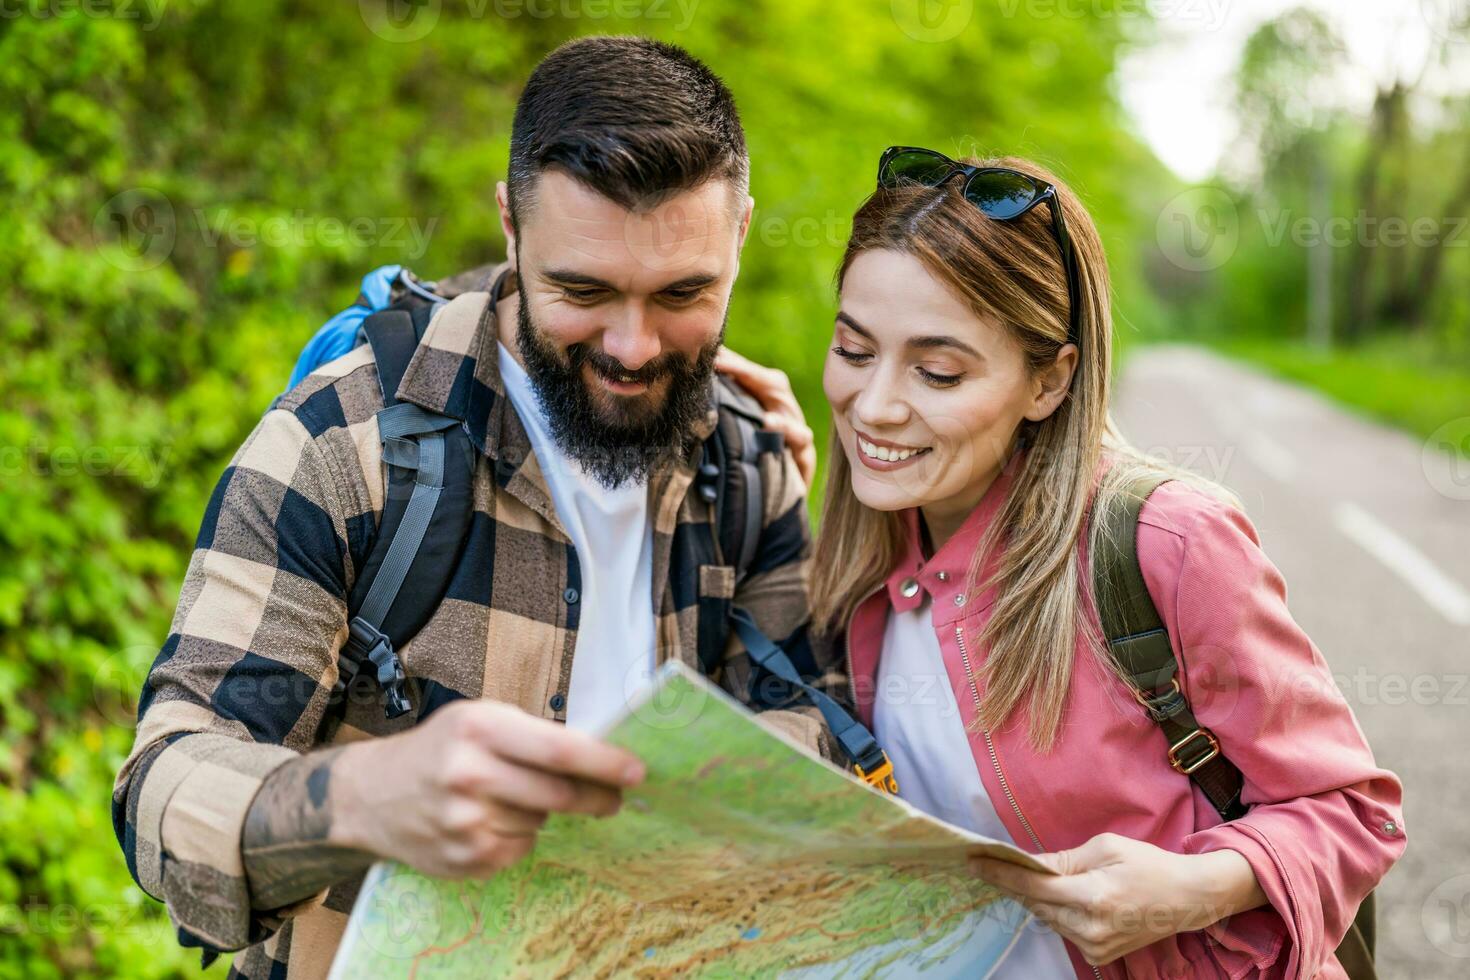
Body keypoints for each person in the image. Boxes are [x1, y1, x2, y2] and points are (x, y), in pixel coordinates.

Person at [111, 37, 833, 979]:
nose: (633, 345)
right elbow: (164, 784)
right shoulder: (342, 443)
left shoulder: (749, 463)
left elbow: (809, 711)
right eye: (582, 290)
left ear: (741, 234)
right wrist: (360, 799)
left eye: (683, 294)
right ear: (509, 226)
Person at [809, 147, 1405, 977]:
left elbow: (1351, 811)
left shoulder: (1167, 542)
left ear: (1049, 382)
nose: (874, 406)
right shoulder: (858, 563)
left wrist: (1195, 887)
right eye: (854, 350)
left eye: (938, 371)